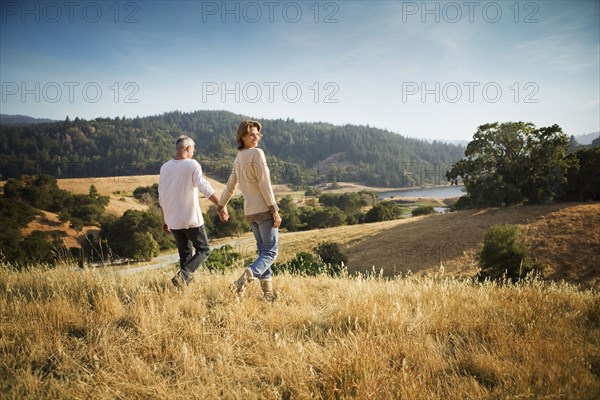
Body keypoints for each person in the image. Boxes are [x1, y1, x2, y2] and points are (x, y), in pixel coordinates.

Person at [218, 120, 282, 300]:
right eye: (251, 134)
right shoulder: (257, 153)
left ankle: (268, 294)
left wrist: (221, 205)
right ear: (242, 137)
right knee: (271, 252)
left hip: (250, 214)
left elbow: (230, 186)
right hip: (264, 210)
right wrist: (274, 209)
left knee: (263, 253)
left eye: (257, 134)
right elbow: (264, 183)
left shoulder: (239, 157)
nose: (256, 137)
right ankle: (246, 277)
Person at [159, 135, 220, 288]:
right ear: (187, 148)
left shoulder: (165, 167)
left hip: (173, 220)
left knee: (185, 255)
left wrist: (165, 220)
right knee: (204, 250)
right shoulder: (192, 164)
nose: (194, 151)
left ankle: (183, 288)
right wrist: (221, 204)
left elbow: (162, 195)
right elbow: (204, 186)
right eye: (193, 148)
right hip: (190, 218)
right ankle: (183, 275)